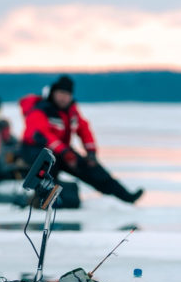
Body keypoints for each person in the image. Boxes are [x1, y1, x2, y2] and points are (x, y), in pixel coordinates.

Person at [19, 75, 144, 204]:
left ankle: (126, 197)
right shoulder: (40, 109)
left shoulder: (71, 111)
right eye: (61, 93)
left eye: (67, 94)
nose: (64, 98)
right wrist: (65, 152)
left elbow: (83, 129)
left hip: (62, 151)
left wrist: (91, 152)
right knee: (48, 177)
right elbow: (43, 134)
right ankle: (40, 202)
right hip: (38, 152)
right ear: (53, 93)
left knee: (93, 170)